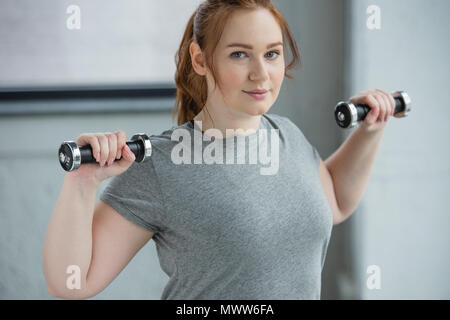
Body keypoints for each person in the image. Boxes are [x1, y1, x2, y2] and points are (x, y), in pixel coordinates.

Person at [43, 0, 375, 300]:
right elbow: (71, 283)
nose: (261, 74)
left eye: (272, 53)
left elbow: (335, 202)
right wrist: (82, 183)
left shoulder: (287, 135)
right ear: (200, 59)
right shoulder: (161, 164)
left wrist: (370, 130)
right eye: (239, 54)